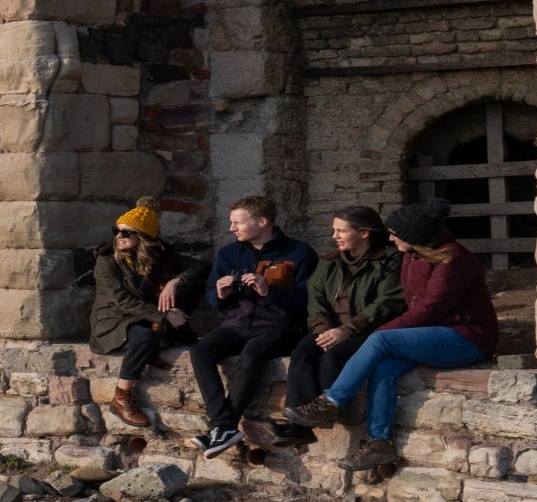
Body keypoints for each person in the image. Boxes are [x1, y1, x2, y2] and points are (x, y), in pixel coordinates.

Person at [285, 200, 497, 472]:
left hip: (467, 338)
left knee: (379, 340)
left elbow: (432, 307)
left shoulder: (453, 258)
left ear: (415, 235)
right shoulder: (412, 255)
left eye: (395, 233)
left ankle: (332, 401)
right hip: (429, 336)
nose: (390, 237)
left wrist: (381, 331)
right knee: (383, 369)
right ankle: (379, 443)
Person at [187, 195, 316, 456]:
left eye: (237, 222)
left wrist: (268, 291)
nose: (231, 228)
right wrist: (221, 294)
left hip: (280, 327)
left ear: (263, 222)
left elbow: (307, 302)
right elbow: (213, 298)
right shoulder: (228, 253)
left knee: (253, 352)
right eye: (231, 222)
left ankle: (221, 428)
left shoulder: (300, 253)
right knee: (201, 351)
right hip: (237, 324)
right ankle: (222, 425)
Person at [264, 205, 404, 447]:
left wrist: (347, 330)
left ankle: (338, 410)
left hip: (370, 330)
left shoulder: (391, 260)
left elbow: (387, 303)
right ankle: (298, 427)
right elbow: (315, 297)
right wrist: (323, 329)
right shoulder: (329, 262)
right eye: (333, 230)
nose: (334, 236)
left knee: (334, 356)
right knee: (303, 353)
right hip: (331, 327)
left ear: (364, 233)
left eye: (341, 231)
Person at [89, 197, 202, 428]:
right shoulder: (107, 260)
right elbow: (121, 300)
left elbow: (201, 267)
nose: (118, 237)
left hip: (145, 314)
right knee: (144, 336)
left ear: (144, 238)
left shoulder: (160, 255)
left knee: (191, 284)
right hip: (113, 319)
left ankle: (166, 328)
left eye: (126, 233)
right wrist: (164, 315)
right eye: (116, 231)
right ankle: (122, 397)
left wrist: (174, 282)